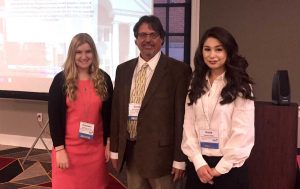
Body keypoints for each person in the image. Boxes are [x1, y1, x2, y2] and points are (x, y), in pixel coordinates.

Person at [109, 15, 191, 189]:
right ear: (136, 40)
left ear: (162, 39)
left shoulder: (178, 71)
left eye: (153, 35)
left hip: (163, 158)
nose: (147, 40)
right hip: (132, 154)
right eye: (142, 35)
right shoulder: (123, 70)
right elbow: (117, 112)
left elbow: (181, 119)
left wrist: (179, 159)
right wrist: (115, 150)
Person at [181, 26, 255, 189]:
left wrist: (220, 169)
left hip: (230, 168)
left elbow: (242, 133)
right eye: (207, 49)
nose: (212, 55)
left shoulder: (241, 85)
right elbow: (188, 125)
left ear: (228, 51)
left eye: (218, 49)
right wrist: (199, 162)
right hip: (198, 166)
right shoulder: (195, 82)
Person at [48, 33, 113, 189]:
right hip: (68, 151)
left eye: (88, 51)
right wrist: (60, 149)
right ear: (72, 54)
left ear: (94, 53)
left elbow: (110, 115)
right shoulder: (60, 80)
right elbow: (54, 118)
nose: (84, 56)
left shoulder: (104, 79)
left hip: (96, 151)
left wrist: (109, 142)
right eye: (79, 52)